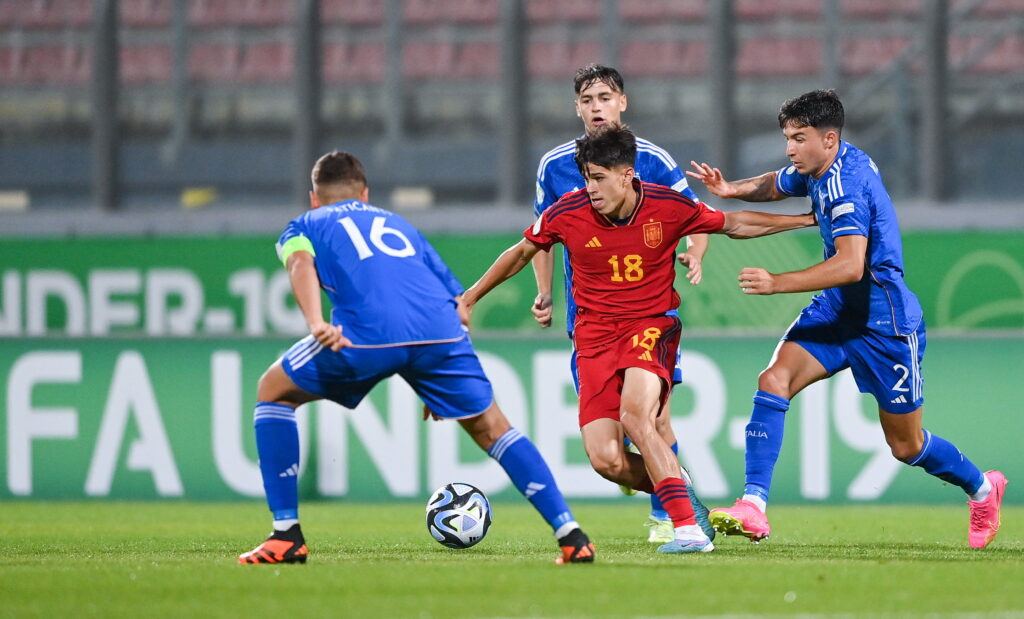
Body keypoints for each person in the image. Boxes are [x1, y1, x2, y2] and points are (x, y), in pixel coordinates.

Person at [463, 124, 816, 554]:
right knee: (606, 460)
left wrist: (804, 218)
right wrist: (470, 297)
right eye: (586, 177)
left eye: (598, 178)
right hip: (592, 340)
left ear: (627, 174)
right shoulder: (565, 212)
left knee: (636, 417)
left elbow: (734, 223)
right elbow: (521, 252)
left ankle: (687, 530)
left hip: (650, 327)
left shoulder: (668, 206)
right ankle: (676, 483)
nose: (589, 188)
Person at [238, 151, 595, 565]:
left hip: (365, 336)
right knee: (494, 428)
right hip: (441, 336)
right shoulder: (398, 225)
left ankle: (285, 536)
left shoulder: (308, 223)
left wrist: (316, 320)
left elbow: (300, 262)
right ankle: (571, 534)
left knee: (273, 391)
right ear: (365, 193)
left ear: (314, 198)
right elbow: (459, 306)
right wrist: (436, 377)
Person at [687, 89, 1007, 548]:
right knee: (773, 380)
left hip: (885, 323)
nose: (790, 148)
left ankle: (982, 488)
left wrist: (777, 281)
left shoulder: (845, 185)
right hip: (837, 310)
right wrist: (731, 189)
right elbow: (778, 184)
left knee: (906, 446)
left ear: (829, 138)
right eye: (787, 138)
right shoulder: (822, 165)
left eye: (799, 138)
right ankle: (752, 505)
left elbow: (851, 265)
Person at [531, 63, 713, 544]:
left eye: (606, 98)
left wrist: (694, 253)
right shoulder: (553, 166)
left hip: (648, 312)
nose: (597, 107)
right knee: (611, 448)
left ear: (623, 103)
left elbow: (695, 218)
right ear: (577, 108)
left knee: (652, 419)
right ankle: (680, 496)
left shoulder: (652, 159)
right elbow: (539, 238)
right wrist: (545, 292)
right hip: (590, 318)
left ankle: (670, 515)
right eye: (588, 100)